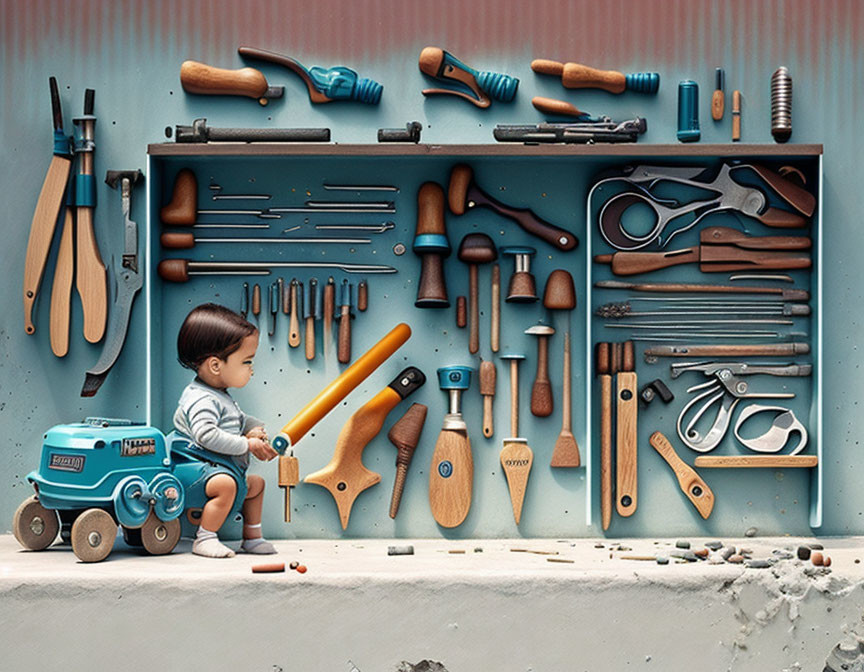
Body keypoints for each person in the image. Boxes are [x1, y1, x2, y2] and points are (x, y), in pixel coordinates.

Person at [173, 303, 279, 558]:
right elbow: (205, 435)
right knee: (227, 486)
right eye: (246, 361)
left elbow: (237, 420)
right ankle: (205, 538)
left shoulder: (219, 395)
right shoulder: (201, 399)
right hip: (195, 469)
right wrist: (247, 445)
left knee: (256, 485)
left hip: (218, 468)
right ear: (216, 366)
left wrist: (254, 428)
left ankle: (252, 537)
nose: (251, 369)